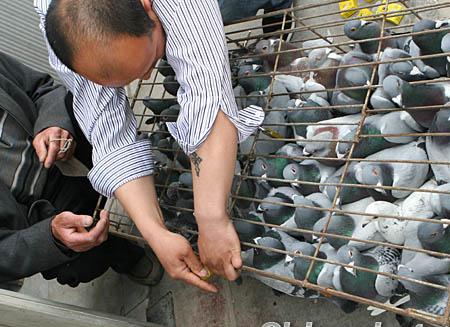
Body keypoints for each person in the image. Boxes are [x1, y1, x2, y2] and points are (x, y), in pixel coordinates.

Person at [34, 0, 296, 293]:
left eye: (147, 65)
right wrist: (156, 234)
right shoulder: (62, 25)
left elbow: (208, 97)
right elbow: (109, 134)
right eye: (125, 80)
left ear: (147, 7)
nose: (147, 77)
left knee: (227, 9)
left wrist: (211, 219)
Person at [0, 44, 162, 288]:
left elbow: (42, 88)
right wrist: (51, 236)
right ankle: (124, 255)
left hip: (73, 153)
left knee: (85, 104)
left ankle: (150, 178)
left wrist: (53, 124)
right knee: (88, 257)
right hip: (45, 211)